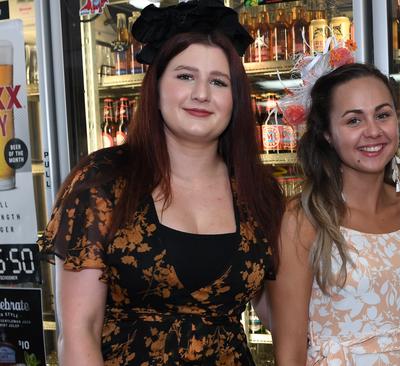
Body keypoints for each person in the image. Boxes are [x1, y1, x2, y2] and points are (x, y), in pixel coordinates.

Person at [37, 1, 284, 365]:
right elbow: (78, 332)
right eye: (185, 76)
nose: (202, 93)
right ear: (156, 86)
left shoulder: (257, 191)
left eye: (218, 81)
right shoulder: (103, 182)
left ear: (236, 99)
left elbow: (283, 318)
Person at [268, 62, 400, 365]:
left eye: (383, 115)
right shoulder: (304, 219)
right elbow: (289, 350)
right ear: (327, 135)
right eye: (353, 121)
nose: (373, 131)